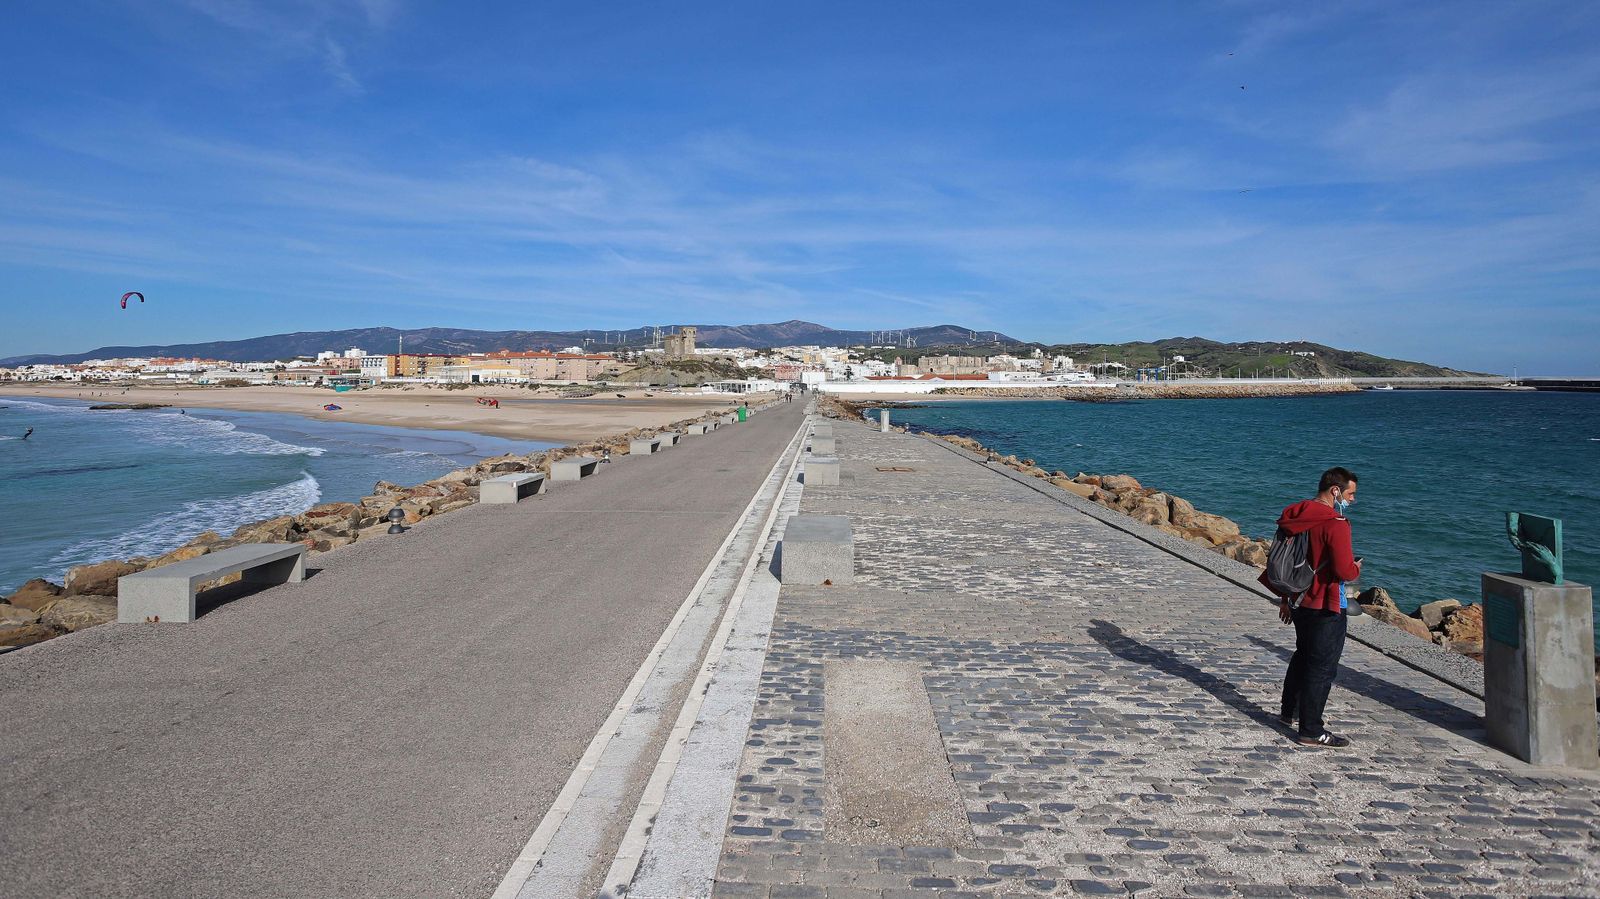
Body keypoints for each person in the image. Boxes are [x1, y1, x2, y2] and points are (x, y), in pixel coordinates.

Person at [1266, 466, 1362, 748]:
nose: (1352, 500)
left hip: (1297, 599)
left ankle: (1289, 712)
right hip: (1325, 602)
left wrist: (1284, 599)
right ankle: (1311, 729)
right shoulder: (1335, 522)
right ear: (1335, 491)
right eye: (1350, 494)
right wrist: (1356, 568)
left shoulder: (1295, 514)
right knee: (1322, 668)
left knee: (1302, 655)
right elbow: (1344, 570)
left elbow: (1285, 558)